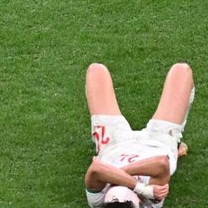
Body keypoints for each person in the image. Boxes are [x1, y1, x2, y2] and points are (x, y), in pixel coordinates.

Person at [83, 61, 194, 206]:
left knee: (95, 71)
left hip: (113, 143)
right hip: (158, 142)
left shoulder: (97, 201)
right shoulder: (152, 199)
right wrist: (113, 175)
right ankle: (176, 145)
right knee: (182, 71)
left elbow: (96, 169)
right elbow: (161, 163)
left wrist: (133, 184)